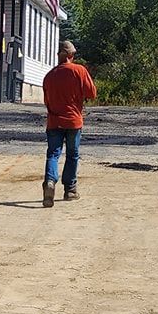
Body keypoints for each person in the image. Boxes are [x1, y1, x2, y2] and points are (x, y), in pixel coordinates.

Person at [41, 39, 97, 204]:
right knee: (72, 155)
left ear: (58, 56)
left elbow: (47, 101)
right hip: (73, 121)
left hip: (54, 121)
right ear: (71, 54)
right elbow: (91, 94)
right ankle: (70, 190)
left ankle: (50, 182)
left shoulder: (49, 76)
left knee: (53, 153)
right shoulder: (80, 71)